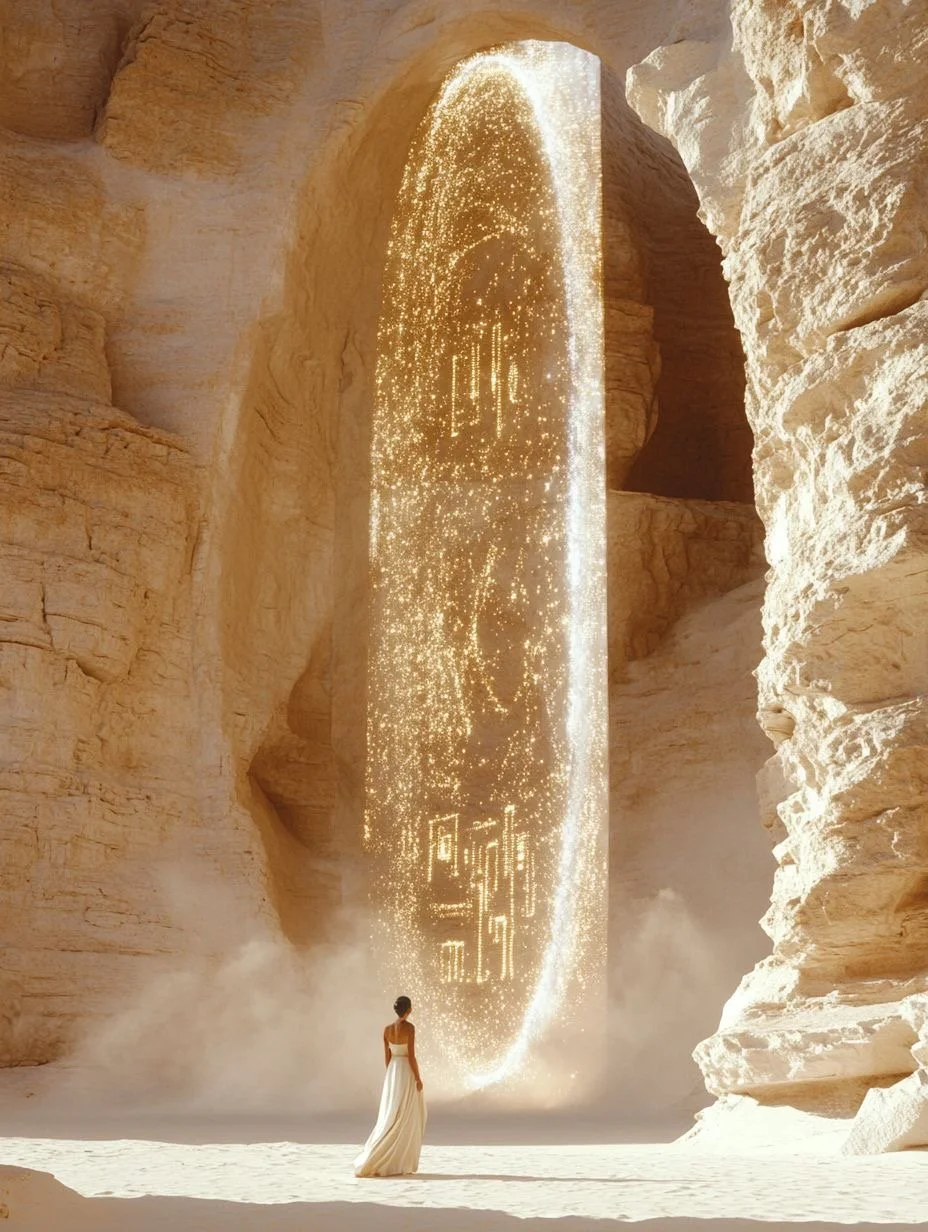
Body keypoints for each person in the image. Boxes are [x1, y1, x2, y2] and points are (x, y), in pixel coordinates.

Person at [353, 995, 427, 1177]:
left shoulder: (386, 1030)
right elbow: (411, 1056)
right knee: (406, 1113)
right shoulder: (409, 1028)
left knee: (391, 1112)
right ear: (409, 1010)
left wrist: (390, 1076)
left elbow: (387, 1056)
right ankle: (398, 1159)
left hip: (393, 1071)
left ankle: (383, 1154)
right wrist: (417, 1078)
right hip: (405, 1070)